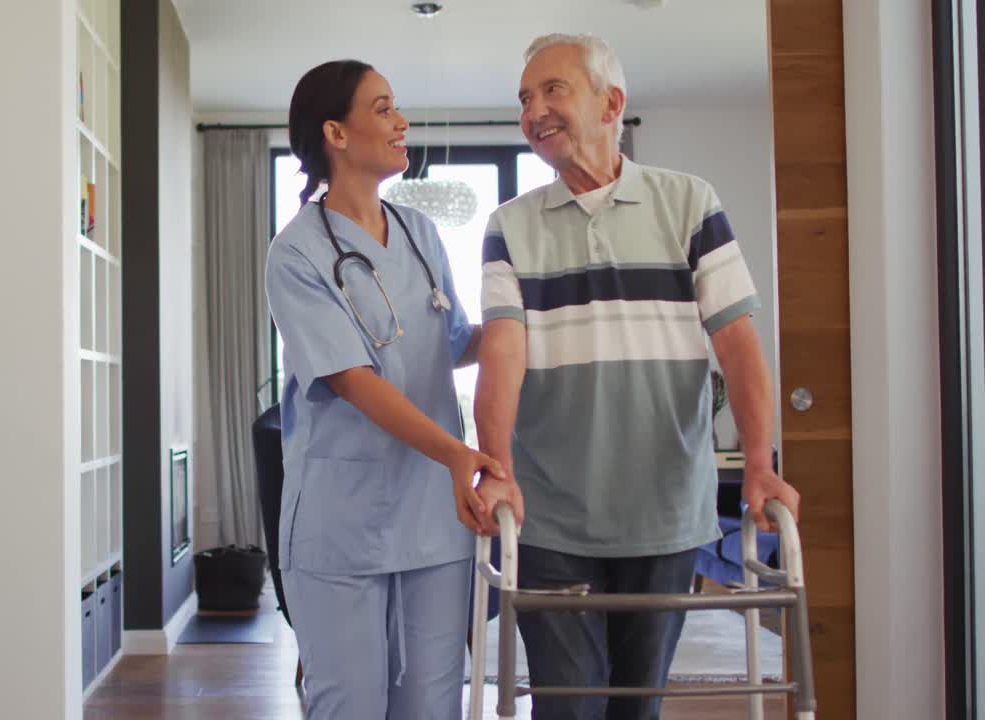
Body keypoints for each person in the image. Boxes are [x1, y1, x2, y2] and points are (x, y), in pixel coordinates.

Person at [472, 34, 802, 720]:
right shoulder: (511, 226)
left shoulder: (690, 204)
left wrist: (763, 465)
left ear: (610, 102)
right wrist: (497, 465)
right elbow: (503, 354)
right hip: (552, 514)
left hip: (665, 510)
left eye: (553, 90)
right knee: (569, 705)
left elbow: (738, 344)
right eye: (525, 98)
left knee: (636, 705)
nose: (534, 111)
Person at [264, 59, 505, 719]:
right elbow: (350, 378)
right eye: (383, 107)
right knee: (352, 705)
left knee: (432, 704)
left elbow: (450, 342)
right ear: (336, 134)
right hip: (342, 519)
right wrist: (458, 453)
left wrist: (520, 324)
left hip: (432, 514)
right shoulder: (296, 252)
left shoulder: (422, 233)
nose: (401, 122)